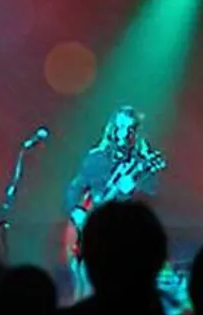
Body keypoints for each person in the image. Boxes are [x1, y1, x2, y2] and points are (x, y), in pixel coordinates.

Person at [62, 106, 166, 301]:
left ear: (136, 133)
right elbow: (74, 188)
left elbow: (153, 198)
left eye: (130, 129)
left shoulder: (141, 164)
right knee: (84, 289)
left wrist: (134, 187)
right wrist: (76, 211)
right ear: (112, 129)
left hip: (124, 237)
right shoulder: (96, 158)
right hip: (90, 231)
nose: (124, 134)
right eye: (120, 128)